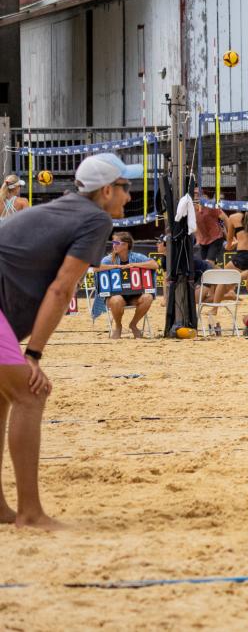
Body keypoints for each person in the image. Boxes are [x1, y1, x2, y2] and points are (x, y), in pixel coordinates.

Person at [0, 152, 138, 528]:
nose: (130, 195)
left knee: (4, 397)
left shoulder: (66, 209)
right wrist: (33, 355)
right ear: (107, 190)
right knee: (30, 393)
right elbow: (61, 289)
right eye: (126, 187)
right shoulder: (94, 218)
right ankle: (30, 514)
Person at [91, 231, 159, 339]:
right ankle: (118, 326)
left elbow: (154, 265)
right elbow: (96, 268)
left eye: (116, 242)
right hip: (115, 296)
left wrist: (133, 265)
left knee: (148, 297)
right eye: (113, 242)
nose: (113, 245)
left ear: (126, 245)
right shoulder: (109, 259)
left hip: (134, 295)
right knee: (117, 299)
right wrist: (116, 266)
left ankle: (133, 324)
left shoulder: (136, 257)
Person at [220, 200, 248, 301]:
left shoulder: (233, 217)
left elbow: (229, 242)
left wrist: (229, 246)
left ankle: (214, 309)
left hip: (244, 254)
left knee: (222, 279)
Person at [193, 188, 226, 262]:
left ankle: (226, 272)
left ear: (203, 196)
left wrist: (231, 238)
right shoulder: (193, 209)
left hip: (216, 238)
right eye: (194, 194)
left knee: (209, 263)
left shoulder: (210, 206)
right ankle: (224, 272)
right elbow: (195, 225)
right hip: (204, 240)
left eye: (197, 195)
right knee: (205, 265)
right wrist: (198, 238)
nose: (196, 197)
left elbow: (226, 219)